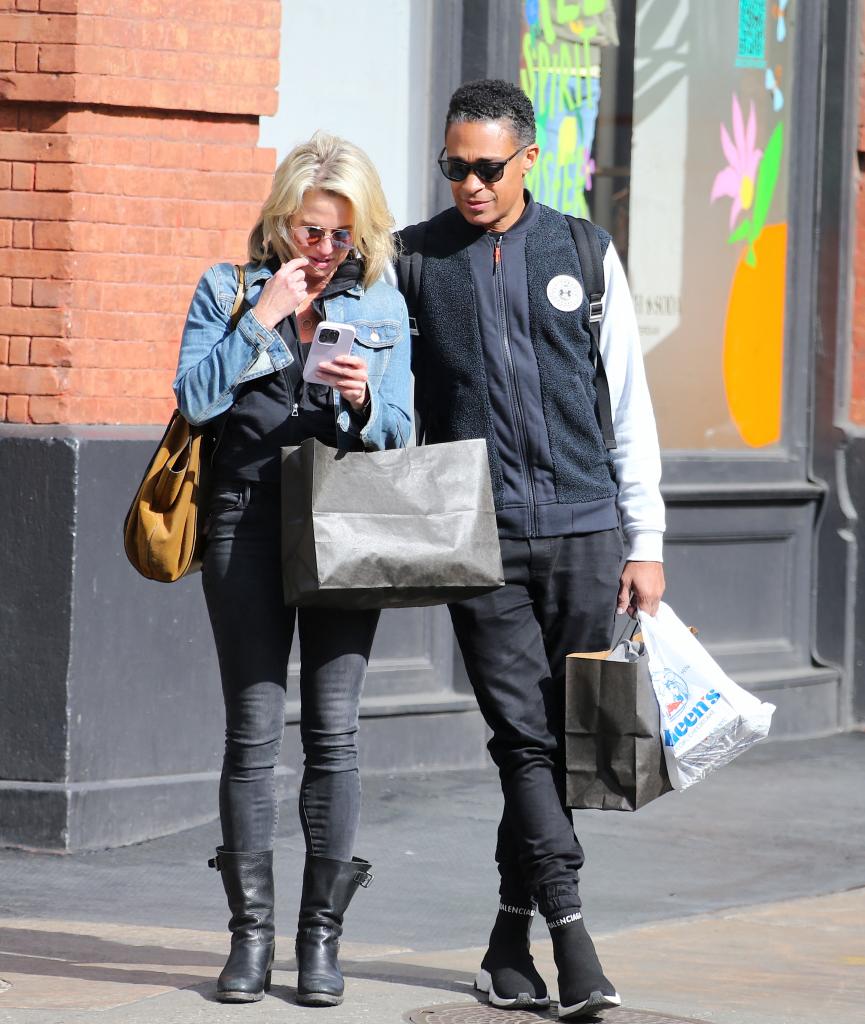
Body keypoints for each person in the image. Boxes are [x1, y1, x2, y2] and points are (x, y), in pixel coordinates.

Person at [396, 79, 666, 1020]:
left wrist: (647, 539)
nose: (469, 184)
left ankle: (507, 937)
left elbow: (626, 404)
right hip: (478, 538)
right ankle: (573, 939)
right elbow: (395, 402)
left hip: (588, 532)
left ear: (528, 158)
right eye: (453, 166)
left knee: (561, 743)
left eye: (486, 166)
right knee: (522, 737)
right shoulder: (417, 262)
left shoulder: (584, 253)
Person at [173, 131, 411, 1007]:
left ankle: (320, 942)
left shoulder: (380, 304)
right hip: (242, 523)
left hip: (345, 523)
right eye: (310, 230)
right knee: (251, 731)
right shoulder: (227, 289)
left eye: (341, 235)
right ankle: (249, 941)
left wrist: (361, 400)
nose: (323, 249)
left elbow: (400, 430)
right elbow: (194, 398)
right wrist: (262, 318)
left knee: (335, 732)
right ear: (280, 220)